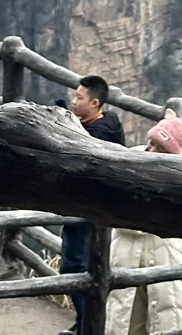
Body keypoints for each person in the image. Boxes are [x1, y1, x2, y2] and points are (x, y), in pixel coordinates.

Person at [105, 111, 182, 335]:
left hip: (167, 251)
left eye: (161, 148)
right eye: (152, 143)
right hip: (127, 250)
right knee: (125, 318)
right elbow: (113, 209)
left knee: (167, 315)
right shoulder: (128, 162)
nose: (153, 151)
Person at [59, 74, 126, 335]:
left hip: (88, 212)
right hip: (82, 210)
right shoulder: (100, 126)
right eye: (74, 95)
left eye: (79, 97)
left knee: (74, 269)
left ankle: (89, 327)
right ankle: (83, 324)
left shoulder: (97, 137)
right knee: (82, 270)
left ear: (95, 103)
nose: (73, 101)